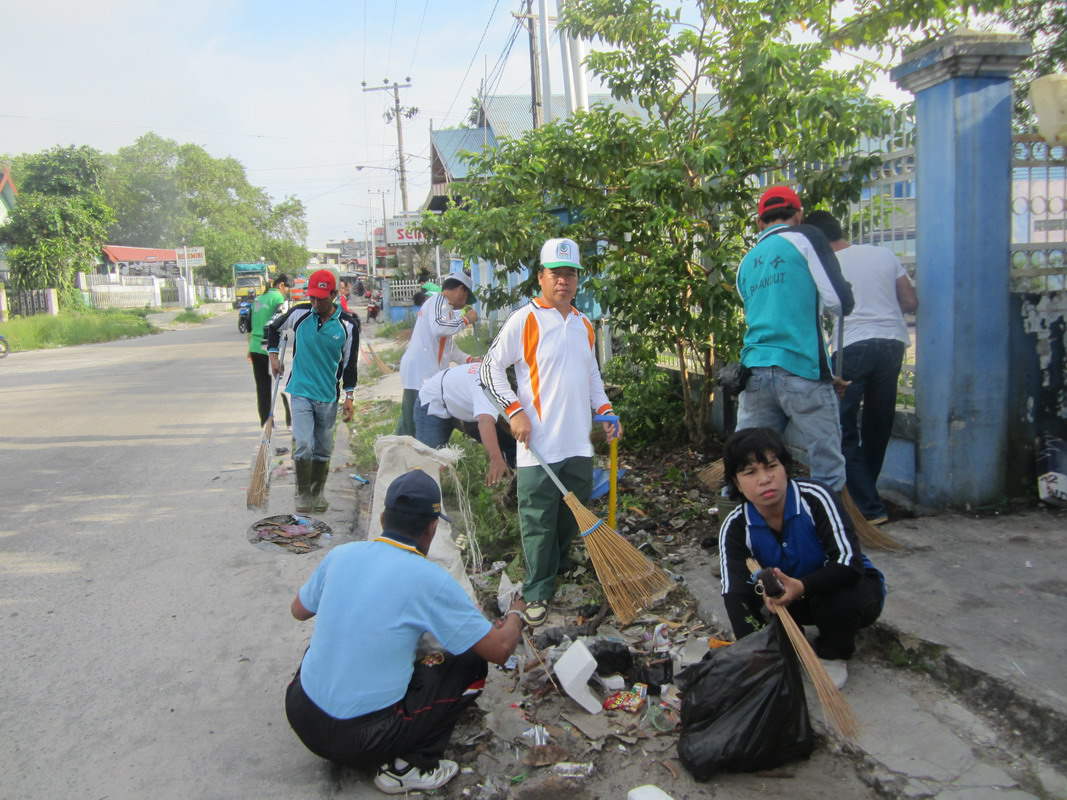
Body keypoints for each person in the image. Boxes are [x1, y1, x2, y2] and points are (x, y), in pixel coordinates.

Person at [285, 470, 528, 795]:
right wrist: (516, 613)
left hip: (300, 712)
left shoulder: (342, 555)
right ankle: (409, 765)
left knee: (349, 633)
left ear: (384, 517)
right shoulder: (431, 579)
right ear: (431, 529)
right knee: (469, 662)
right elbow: (499, 650)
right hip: (361, 739)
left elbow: (299, 610)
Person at [480, 237, 620, 626]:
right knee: (538, 522)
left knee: (569, 518)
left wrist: (605, 411)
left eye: (570, 274)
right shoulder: (525, 319)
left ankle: (555, 569)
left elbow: (591, 374)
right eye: (556, 274)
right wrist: (514, 412)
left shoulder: (583, 324)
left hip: (577, 444)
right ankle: (538, 591)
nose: (564, 281)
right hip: (538, 446)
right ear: (541, 277)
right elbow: (489, 369)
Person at [717, 427, 885, 689]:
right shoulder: (736, 526)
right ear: (736, 483)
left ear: (785, 467)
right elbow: (735, 593)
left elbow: (848, 562)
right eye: (750, 472)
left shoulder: (816, 498)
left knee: (841, 596)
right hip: (791, 603)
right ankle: (791, 642)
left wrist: (802, 586)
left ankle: (834, 652)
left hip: (850, 592)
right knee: (766, 637)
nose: (764, 479)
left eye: (771, 466)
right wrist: (753, 653)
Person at [735, 185, 854, 491]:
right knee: (826, 467)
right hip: (802, 370)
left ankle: (740, 530)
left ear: (760, 222)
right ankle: (828, 534)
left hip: (755, 374)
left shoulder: (747, 261)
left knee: (746, 463)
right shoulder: (806, 238)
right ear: (799, 215)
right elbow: (839, 303)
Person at [805, 211, 919, 525]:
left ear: (817, 239)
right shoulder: (883, 253)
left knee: (841, 427)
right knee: (878, 424)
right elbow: (910, 302)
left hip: (852, 347)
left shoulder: (824, 266)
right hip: (893, 343)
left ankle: (868, 507)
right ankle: (865, 497)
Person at [266, 269, 360, 513]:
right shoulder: (299, 313)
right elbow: (273, 328)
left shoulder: (348, 326)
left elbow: (350, 365)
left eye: (322, 298)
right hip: (301, 390)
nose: (316, 303)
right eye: (313, 298)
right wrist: (274, 356)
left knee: (323, 448)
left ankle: (317, 494)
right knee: (304, 444)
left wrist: (349, 396)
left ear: (334, 294)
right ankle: (303, 495)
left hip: (328, 395)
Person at [396, 273, 479, 437]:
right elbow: (440, 328)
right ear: (461, 290)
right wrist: (466, 320)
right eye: (466, 298)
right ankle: (397, 455)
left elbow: (448, 345)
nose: (464, 304)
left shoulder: (444, 308)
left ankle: (410, 453)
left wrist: (468, 359)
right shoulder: (439, 301)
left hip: (426, 370)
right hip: (420, 370)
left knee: (416, 417)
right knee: (411, 422)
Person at [415, 363, 517, 485]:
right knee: (430, 460)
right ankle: (418, 494)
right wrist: (495, 459)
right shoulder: (489, 386)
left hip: (463, 403)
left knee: (509, 442)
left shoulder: (500, 375)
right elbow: (485, 422)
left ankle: (516, 477)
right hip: (433, 402)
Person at [248, 274, 291, 428]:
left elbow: (249, 326)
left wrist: (251, 347)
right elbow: (282, 325)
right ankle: (290, 423)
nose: (287, 291)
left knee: (263, 388)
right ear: (281, 285)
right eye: (287, 287)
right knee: (285, 385)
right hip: (271, 349)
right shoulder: (279, 300)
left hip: (255, 347)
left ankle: (266, 426)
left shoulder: (258, 300)